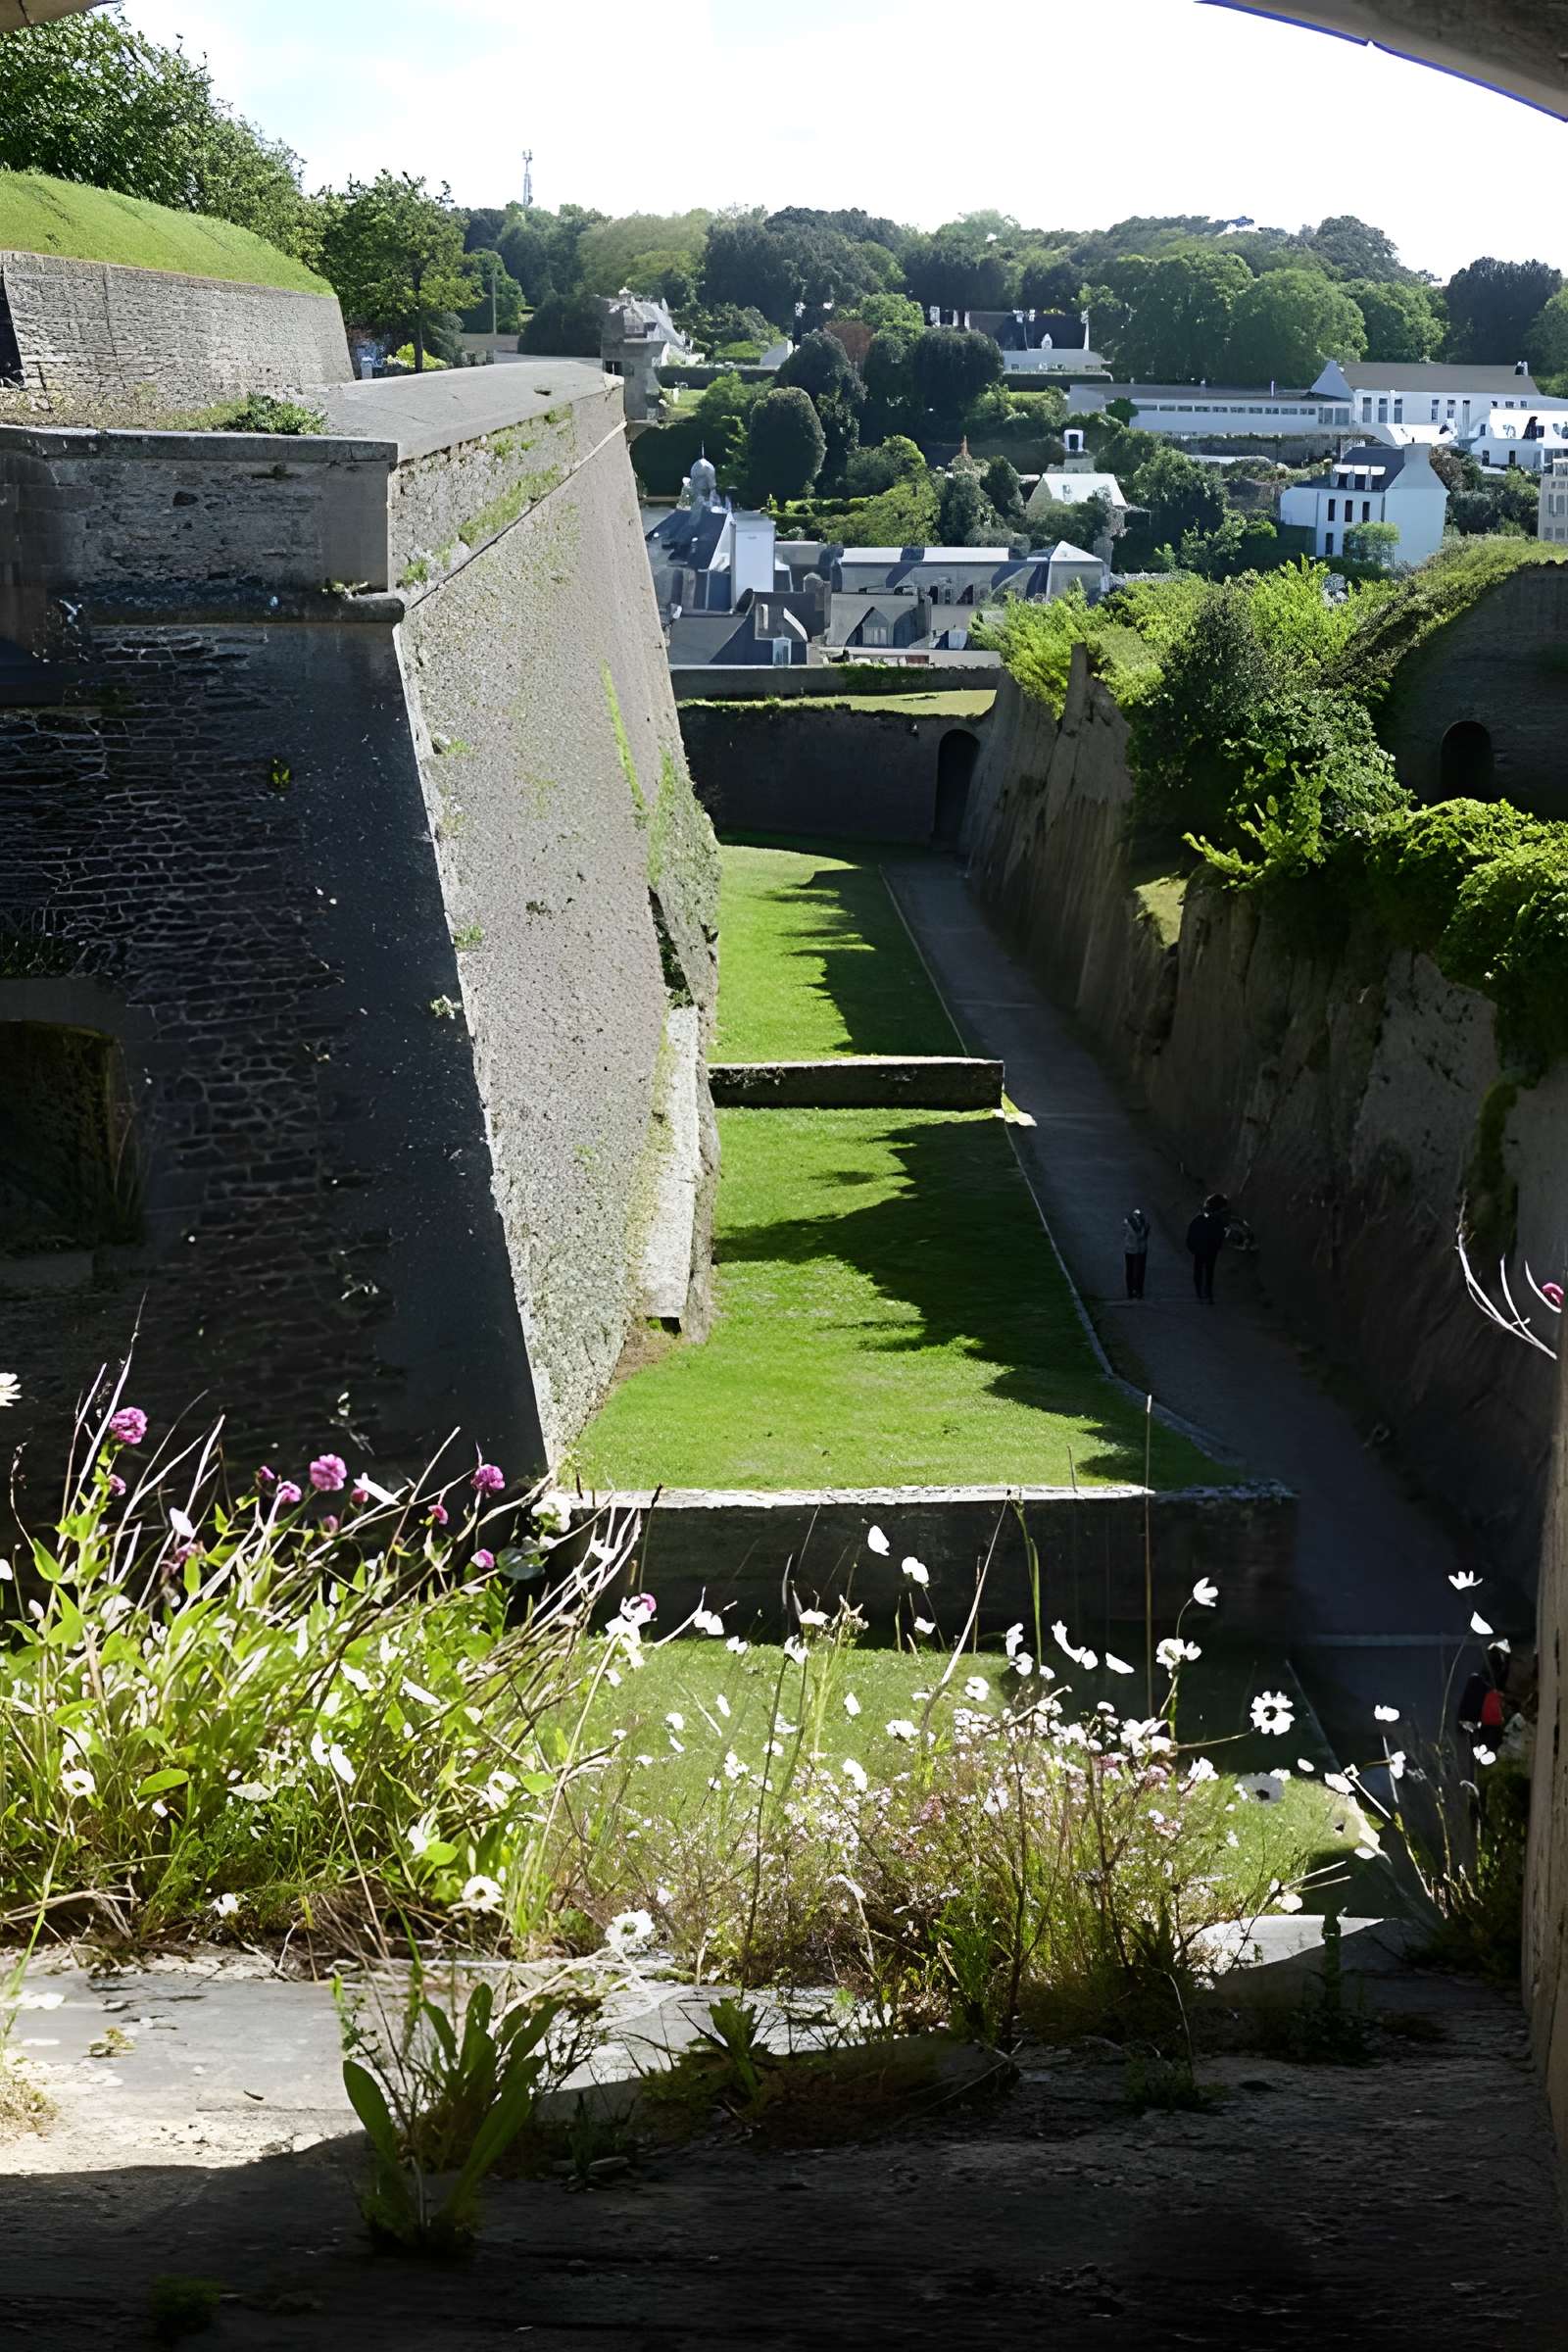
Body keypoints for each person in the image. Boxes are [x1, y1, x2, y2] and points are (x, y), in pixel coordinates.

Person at [1186, 1192, 1229, 1304]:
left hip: (1201, 1247)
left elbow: (1192, 1230)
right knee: (1209, 1271)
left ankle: (1200, 1294)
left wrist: (1191, 1246)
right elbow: (1220, 1234)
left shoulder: (1202, 1216)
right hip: (1210, 1248)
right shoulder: (1217, 1219)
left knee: (1199, 1270)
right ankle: (1207, 1294)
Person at [1122, 1207, 1150, 1299]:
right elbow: (1127, 1234)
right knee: (1131, 1270)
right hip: (1132, 1250)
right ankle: (1131, 1291)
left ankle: (1138, 1291)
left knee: (1140, 1271)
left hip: (1139, 1250)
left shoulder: (1144, 1223)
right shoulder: (1128, 1222)